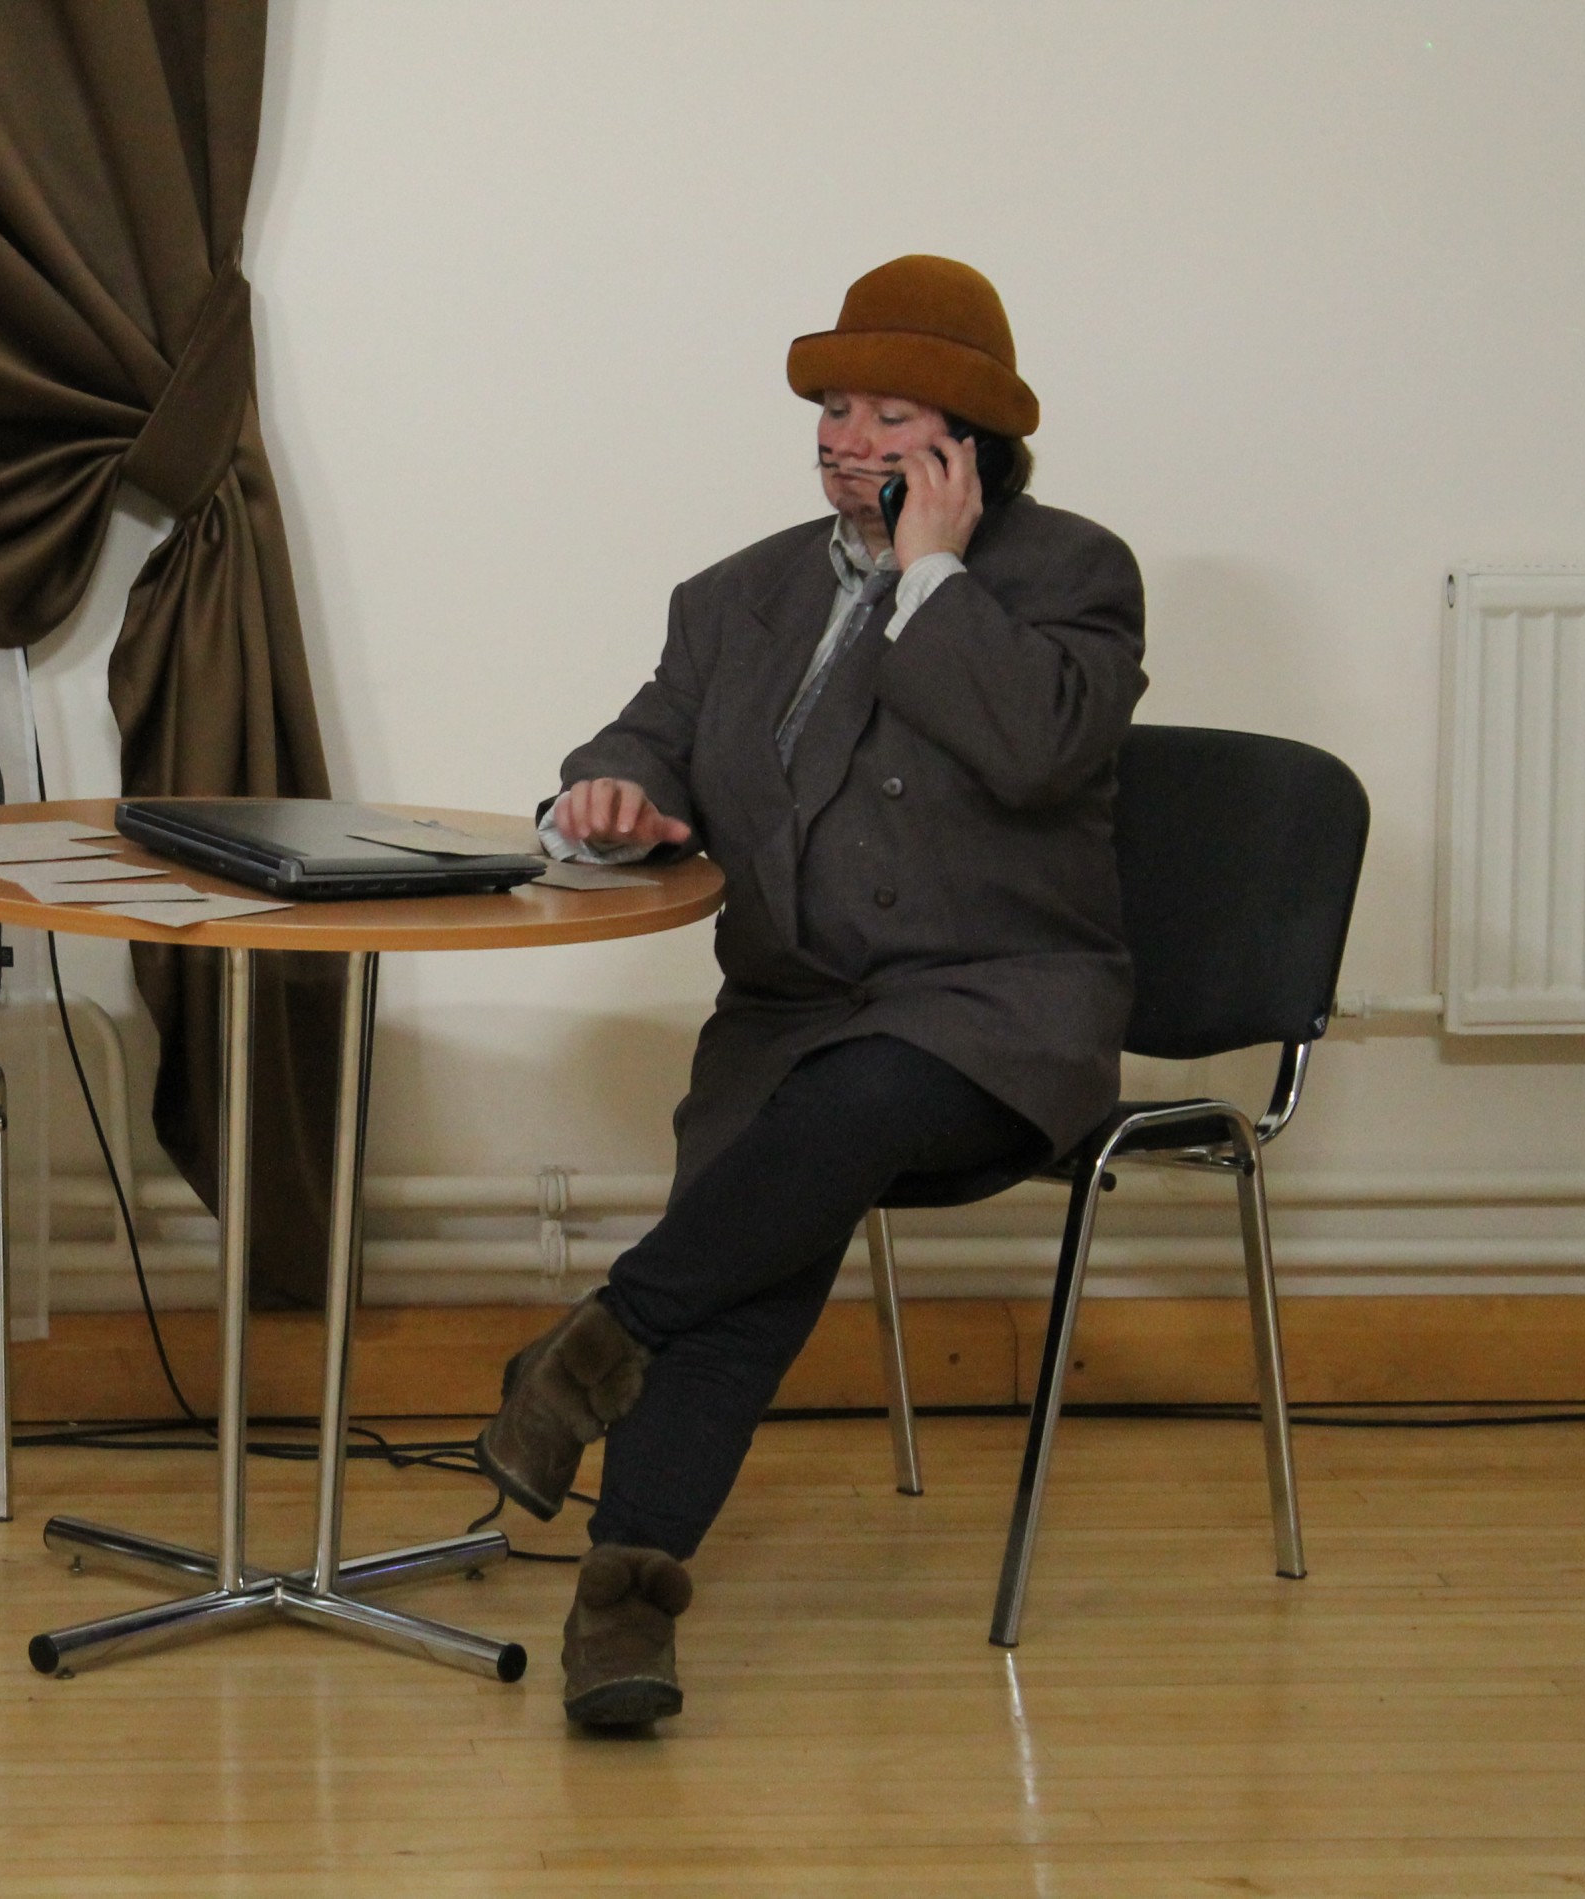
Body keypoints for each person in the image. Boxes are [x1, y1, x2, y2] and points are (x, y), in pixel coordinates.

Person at [477, 255, 1147, 1728]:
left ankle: (597, 1343)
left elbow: (1039, 748)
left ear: (970, 443)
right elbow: (649, 737)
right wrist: (609, 799)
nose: (847, 438)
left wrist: (932, 577)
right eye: (834, 408)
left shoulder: (1070, 576)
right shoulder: (736, 595)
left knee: (843, 1112)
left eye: (889, 415)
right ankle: (623, 1604)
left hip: (996, 1010)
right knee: (758, 1232)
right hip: (791, 1010)